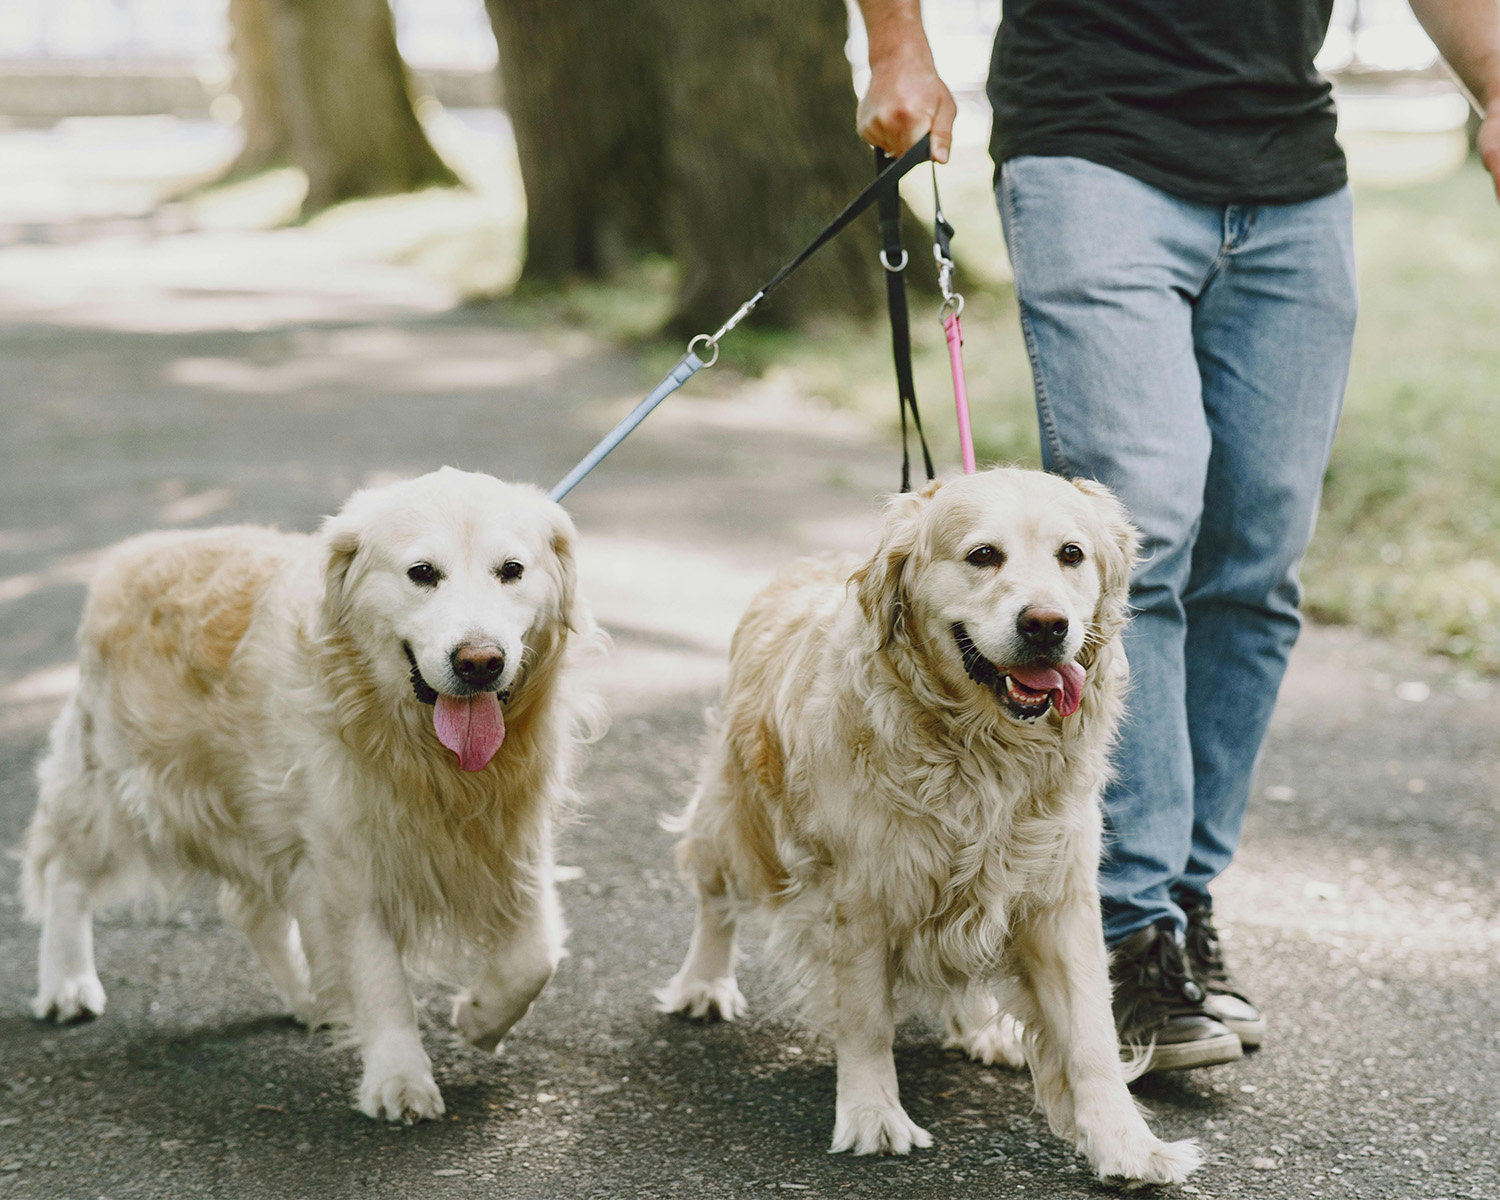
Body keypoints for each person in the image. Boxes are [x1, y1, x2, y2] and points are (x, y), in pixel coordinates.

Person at [853, 0, 1500, 1071]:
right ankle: (1124, 926)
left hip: (1289, 161)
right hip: (1092, 141)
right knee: (1139, 536)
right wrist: (895, 44)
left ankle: (1183, 895)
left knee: (1259, 561)